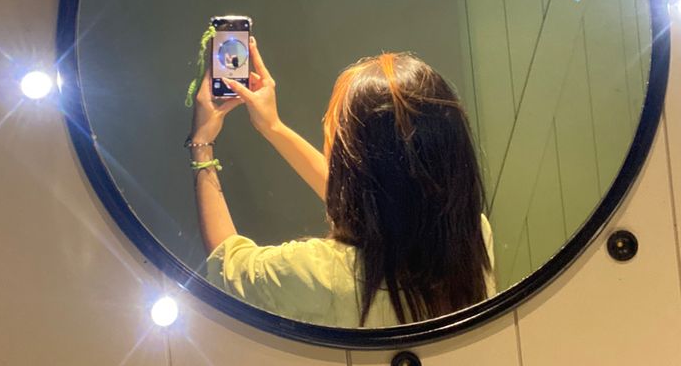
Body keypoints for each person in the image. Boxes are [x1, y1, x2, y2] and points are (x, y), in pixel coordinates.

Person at [188, 37, 496, 328]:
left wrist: (202, 143)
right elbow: (380, 200)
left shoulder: (318, 274)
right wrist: (272, 127)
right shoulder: (471, 238)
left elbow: (227, 265)